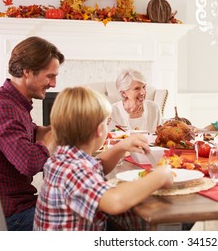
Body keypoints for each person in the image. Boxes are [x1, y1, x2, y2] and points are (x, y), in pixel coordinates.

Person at [33, 86, 174, 230]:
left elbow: (97, 166)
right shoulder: (74, 170)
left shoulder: (60, 160)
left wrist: (121, 147)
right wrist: (160, 176)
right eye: (107, 123)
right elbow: (115, 201)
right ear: (100, 130)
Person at [0, 36, 65, 230]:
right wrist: (53, 135)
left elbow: (33, 133)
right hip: (13, 218)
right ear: (27, 71)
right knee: (98, 219)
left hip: (20, 207)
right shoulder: (2, 108)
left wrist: (73, 124)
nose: (54, 84)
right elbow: (29, 162)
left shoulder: (13, 102)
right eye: (50, 76)